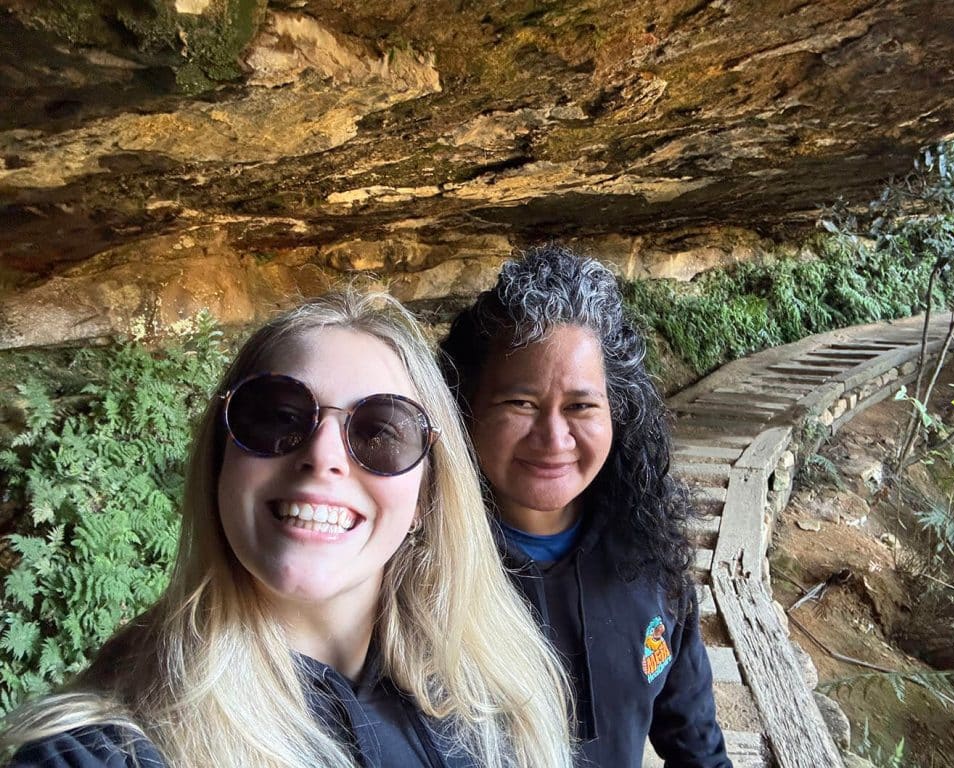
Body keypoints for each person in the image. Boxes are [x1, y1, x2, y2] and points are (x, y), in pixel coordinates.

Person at [2, 289, 574, 768]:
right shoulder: (104, 752)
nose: (323, 457)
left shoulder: (496, 703)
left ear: (427, 493)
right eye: (278, 416)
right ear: (220, 461)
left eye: (381, 432)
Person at [440, 246, 733, 768]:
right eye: (520, 403)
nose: (554, 438)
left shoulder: (651, 554)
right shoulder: (419, 573)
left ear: (617, 413)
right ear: (465, 408)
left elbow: (696, 743)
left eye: (581, 406)